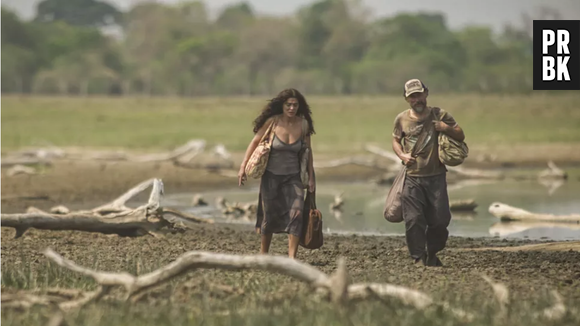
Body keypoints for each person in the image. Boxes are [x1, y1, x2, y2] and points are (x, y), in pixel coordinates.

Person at [391, 79, 465, 267]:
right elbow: (396, 141)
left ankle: (432, 253)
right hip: (412, 178)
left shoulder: (440, 114)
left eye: (419, 95)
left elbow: (460, 134)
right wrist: (402, 155)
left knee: (440, 220)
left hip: (436, 177)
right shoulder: (401, 119)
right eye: (412, 97)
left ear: (426, 93)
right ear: (407, 99)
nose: (417, 99)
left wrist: (445, 128)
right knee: (414, 219)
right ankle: (418, 257)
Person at [238, 88, 316, 259]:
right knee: (269, 216)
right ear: (282, 105)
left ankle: (292, 259)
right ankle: (264, 255)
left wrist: (311, 177)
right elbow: (255, 142)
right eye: (288, 105)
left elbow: (308, 153)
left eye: (295, 105)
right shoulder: (273, 123)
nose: (291, 108)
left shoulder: (303, 125)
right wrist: (243, 166)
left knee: (296, 214)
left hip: (293, 177)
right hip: (271, 176)